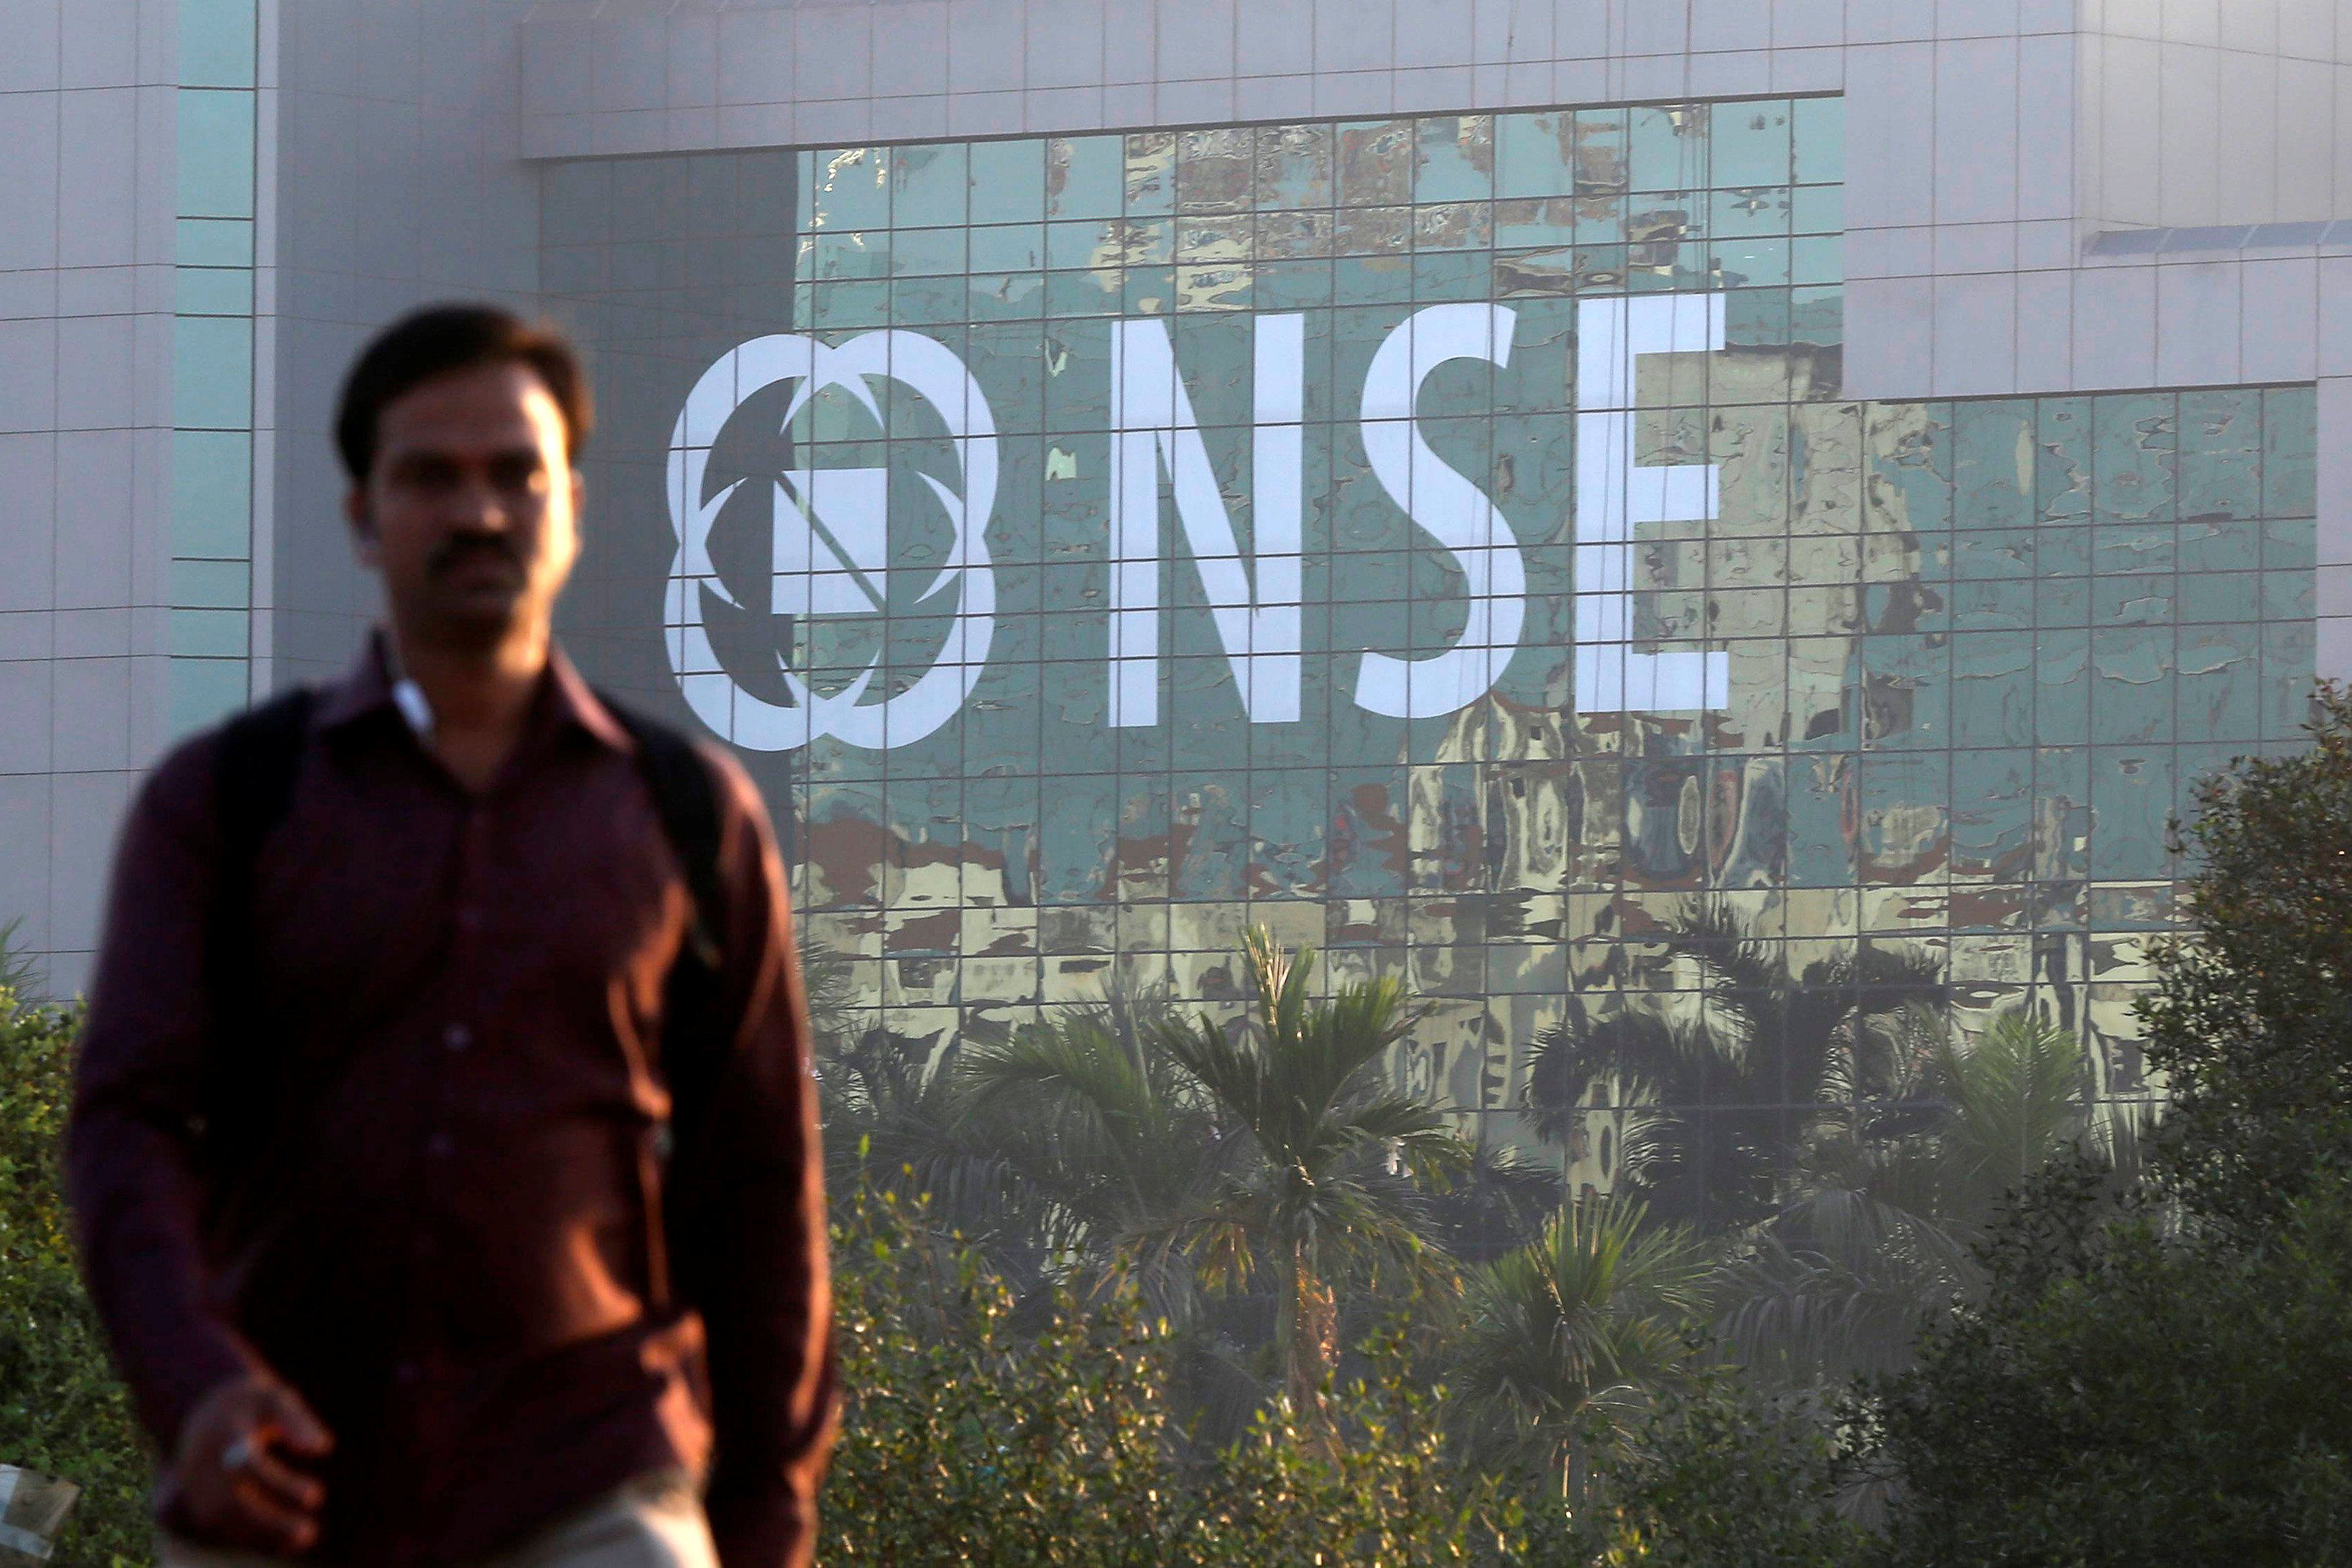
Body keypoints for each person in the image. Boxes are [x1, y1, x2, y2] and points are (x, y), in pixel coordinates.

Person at [67, 305, 836, 1568]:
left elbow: (757, 1196)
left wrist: (764, 1522)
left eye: (516, 474)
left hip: (592, 1484)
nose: (479, 511)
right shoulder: (229, 803)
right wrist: (193, 1387)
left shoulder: (684, 816)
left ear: (574, 505)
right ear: (364, 515)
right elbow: (127, 1123)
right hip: (285, 1485)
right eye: (431, 475)